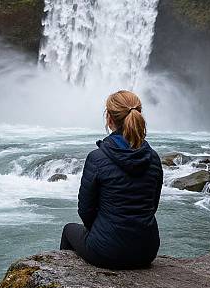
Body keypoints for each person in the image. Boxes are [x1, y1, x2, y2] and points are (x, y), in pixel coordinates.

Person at [60, 90, 163, 269]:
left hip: (107, 251)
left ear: (109, 118)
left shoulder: (97, 158)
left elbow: (85, 210)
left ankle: (64, 284)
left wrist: (102, 233)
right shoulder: (153, 158)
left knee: (69, 230)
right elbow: (152, 205)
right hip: (147, 250)